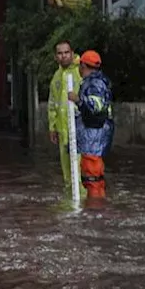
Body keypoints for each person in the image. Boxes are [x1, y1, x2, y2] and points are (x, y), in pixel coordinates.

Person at [69, 49, 114, 198]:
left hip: (93, 140)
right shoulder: (95, 82)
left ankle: (95, 209)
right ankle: (95, 206)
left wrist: (78, 100)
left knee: (92, 177)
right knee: (92, 177)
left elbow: (95, 107)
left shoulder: (95, 84)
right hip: (92, 139)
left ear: (83, 66)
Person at [48, 40, 82, 183]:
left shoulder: (81, 71)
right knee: (68, 176)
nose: (63, 56)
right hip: (63, 133)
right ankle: (69, 204)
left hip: (80, 130)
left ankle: (84, 204)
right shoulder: (56, 76)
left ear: (72, 53)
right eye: (60, 53)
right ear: (56, 57)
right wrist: (52, 127)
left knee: (80, 174)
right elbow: (52, 104)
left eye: (66, 52)